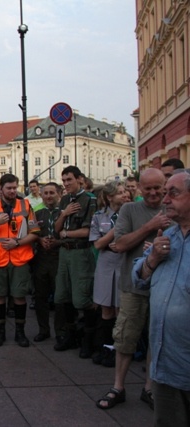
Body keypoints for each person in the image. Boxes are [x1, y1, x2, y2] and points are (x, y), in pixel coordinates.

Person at [95, 168, 170, 410]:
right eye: (147, 188)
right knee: (125, 337)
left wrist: (158, 248)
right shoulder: (130, 210)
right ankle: (118, 386)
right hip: (133, 287)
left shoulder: (174, 209)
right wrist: (150, 227)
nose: (153, 192)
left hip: (164, 288)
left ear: (164, 185)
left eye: (157, 187)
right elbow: (119, 244)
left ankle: (149, 388)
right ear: (138, 187)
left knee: (155, 340)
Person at [132, 170, 190, 426]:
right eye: (165, 192)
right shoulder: (169, 236)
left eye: (173, 193)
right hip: (164, 363)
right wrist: (153, 260)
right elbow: (138, 277)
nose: (165, 200)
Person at [0, 174, 39, 347]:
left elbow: (35, 232)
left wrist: (17, 242)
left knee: (19, 297)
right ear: (1, 188)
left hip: (20, 259)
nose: (12, 191)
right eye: (9, 188)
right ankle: (0, 332)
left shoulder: (25, 205)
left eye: (15, 188)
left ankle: (20, 332)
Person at [53, 166, 98, 357]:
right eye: (63, 181)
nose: (66, 184)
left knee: (82, 297)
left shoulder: (90, 200)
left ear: (80, 179)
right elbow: (56, 228)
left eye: (69, 180)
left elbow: (89, 231)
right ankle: (70, 336)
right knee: (62, 296)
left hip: (81, 252)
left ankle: (88, 340)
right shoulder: (64, 200)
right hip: (65, 252)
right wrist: (64, 214)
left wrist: (66, 233)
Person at [89, 181, 127, 367]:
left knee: (121, 308)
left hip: (123, 261)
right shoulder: (99, 216)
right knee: (106, 307)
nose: (124, 195)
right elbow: (97, 243)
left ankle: (119, 349)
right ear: (110, 197)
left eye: (124, 191)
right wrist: (115, 231)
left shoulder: (130, 214)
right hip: (105, 262)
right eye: (119, 192)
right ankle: (106, 346)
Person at [31, 182, 69, 342]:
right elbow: (30, 232)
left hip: (59, 257)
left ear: (59, 194)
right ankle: (43, 330)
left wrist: (57, 242)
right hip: (41, 259)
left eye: (52, 193)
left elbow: (70, 235)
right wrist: (39, 240)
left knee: (60, 297)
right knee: (40, 296)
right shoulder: (36, 213)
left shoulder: (65, 212)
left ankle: (61, 331)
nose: (48, 196)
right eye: (45, 193)